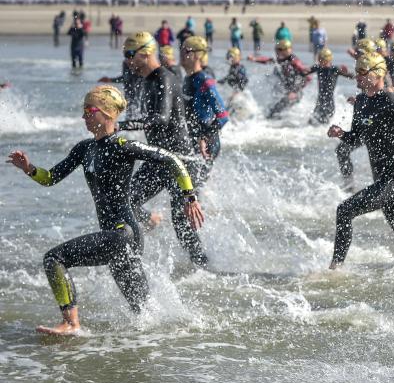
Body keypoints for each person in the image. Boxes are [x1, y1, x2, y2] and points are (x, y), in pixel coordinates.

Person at [6, 85, 203, 335]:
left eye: (89, 110)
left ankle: (71, 324)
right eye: (84, 111)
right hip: (114, 235)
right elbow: (51, 177)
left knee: (53, 259)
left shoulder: (122, 145)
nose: (84, 116)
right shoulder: (84, 149)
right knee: (144, 316)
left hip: (124, 234)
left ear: (107, 114)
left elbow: (172, 159)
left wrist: (190, 196)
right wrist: (30, 168)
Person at [326, 51, 394, 268]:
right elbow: (357, 136)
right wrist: (341, 133)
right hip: (381, 180)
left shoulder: (391, 101)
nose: (356, 76)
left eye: (361, 71)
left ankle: (334, 269)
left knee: (345, 210)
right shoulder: (360, 102)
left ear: (377, 74)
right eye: (356, 71)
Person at [118, 32, 209, 268]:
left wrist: (121, 125)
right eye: (125, 55)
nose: (128, 61)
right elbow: (185, 111)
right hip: (159, 160)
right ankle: (150, 221)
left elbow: (162, 118)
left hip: (180, 162)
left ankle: (206, 271)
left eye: (130, 55)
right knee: (125, 199)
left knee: (183, 228)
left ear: (146, 53)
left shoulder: (164, 79)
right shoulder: (148, 80)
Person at [181, 36, 229, 175]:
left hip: (207, 144)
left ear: (196, 55)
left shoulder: (205, 81)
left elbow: (223, 116)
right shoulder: (187, 79)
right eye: (182, 50)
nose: (182, 54)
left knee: (194, 189)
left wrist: (204, 137)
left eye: (186, 51)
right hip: (194, 140)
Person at [249, 40, 311, 119]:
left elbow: (308, 77)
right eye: (276, 50)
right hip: (287, 93)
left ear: (285, 50)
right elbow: (268, 60)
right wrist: (254, 59)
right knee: (274, 111)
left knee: (274, 112)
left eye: (278, 50)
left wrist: (295, 91)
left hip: (295, 94)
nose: (276, 53)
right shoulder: (281, 60)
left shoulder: (294, 61)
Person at [307, 48, 352, 125]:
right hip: (320, 102)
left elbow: (351, 76)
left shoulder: (335, 69)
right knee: (310, 123)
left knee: (323, 124)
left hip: (329, 103)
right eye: (319, 59)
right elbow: (304, 72)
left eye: (321, 60)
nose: (319, 62)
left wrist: (347, 72)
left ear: (328, 59)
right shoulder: (318, 68)